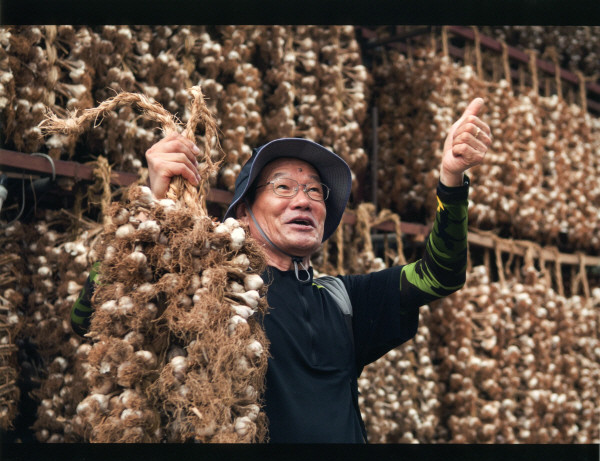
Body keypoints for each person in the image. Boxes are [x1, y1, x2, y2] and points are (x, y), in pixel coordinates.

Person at [71, 97, 491, 443]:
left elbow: (441, 273)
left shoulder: (344, 301)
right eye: (283, 187)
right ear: (243, 212)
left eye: (315, 191)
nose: (304, 200)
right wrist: (152, 204)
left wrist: (451, 180)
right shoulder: (200, 289)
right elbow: (90, 319)